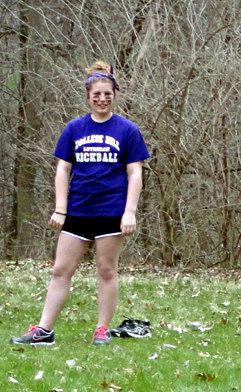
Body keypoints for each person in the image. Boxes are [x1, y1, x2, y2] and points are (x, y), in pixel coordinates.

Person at [11, 61, 150, 347]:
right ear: (88, 96)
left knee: (106, 270)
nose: (102, 99)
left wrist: (129, 212)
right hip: (77, 210)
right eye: (96, 95)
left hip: (111, 210)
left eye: (107, 95)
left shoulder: (127, 130)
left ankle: (102, 329)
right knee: (61, 269)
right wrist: (60, 207)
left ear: (114, 96)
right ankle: (44, 330)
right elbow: (63, 169)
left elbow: (135, 172)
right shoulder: (74, 128)